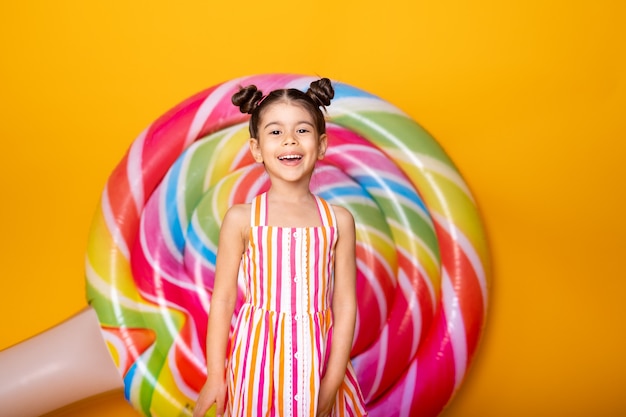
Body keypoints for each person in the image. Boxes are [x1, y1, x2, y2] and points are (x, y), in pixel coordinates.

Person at [193, 78, 367, 417]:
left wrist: (331, 383)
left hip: (318, 363)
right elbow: (224, 298)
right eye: (275, 132)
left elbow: (345, 303)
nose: (289, 140)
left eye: (301, 130)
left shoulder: (339, 221)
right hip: (256, 361)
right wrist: (216, 374)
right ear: (256, 149)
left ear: (321, 144)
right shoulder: (241, 219)